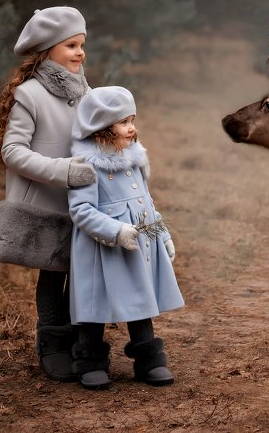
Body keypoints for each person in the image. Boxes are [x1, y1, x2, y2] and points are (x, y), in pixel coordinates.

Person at [0, 6, 96, 382]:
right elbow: (12, 151)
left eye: (82, 44)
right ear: (47, 50)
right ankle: (52, 344)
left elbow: (98, 133)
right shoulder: (29, 95)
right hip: (46, 203)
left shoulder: (86, 90)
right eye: (71, 45)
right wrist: (63, 171)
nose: (80, 52)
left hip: (85, 202)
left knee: (83, 274)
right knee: (52, 275)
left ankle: (84, 344)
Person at [67, 86, 184, 389]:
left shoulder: (134, 158)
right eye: (124, 122)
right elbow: (80, 210)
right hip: (101, 249)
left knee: (140, 300)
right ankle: (90, 360)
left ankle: (149, 361)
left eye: (133, 119)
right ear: (102, 127)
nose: (132, 128)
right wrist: (116, 231)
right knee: (96, 304)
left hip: (137, 245)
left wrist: (163, 234)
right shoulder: (86, 165)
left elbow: (147, 203)